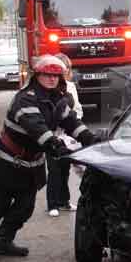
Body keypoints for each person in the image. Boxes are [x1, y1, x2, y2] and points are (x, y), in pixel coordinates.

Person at [0, 55, 99, 256]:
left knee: (25, 207)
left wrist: (89, 138)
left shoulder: (57, 99)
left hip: (31, 163)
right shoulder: (26, 98)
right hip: (6, 161)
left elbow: (71, 122)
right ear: (37, 76)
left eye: (56, 76)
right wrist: (55, 145)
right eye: (47, 75)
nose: (52, 79)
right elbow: (36, 127)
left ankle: (3, 242)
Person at [45, 53, 83, 217]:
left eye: (66, 68)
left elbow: (78, 107)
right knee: (54, 170)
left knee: (65, 168)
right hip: (53, 134)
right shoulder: (48, 90)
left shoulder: (71, 86)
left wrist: (76, 120)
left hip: (69, 135)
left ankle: (64, 201)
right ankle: (52, 204)